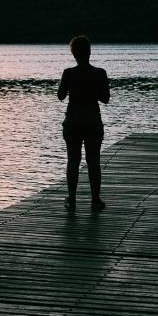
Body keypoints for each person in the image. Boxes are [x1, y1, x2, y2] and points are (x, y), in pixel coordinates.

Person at [57, 35, 110, 210]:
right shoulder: (100, 73)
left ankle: (71, 199)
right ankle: (95, 199)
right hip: (93, 121)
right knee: (93, 161)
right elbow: (105, 98)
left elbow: (60, 96)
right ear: (89, 52)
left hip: (73, 122)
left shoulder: (68, 73)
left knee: (73, 160)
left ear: (73, 54)